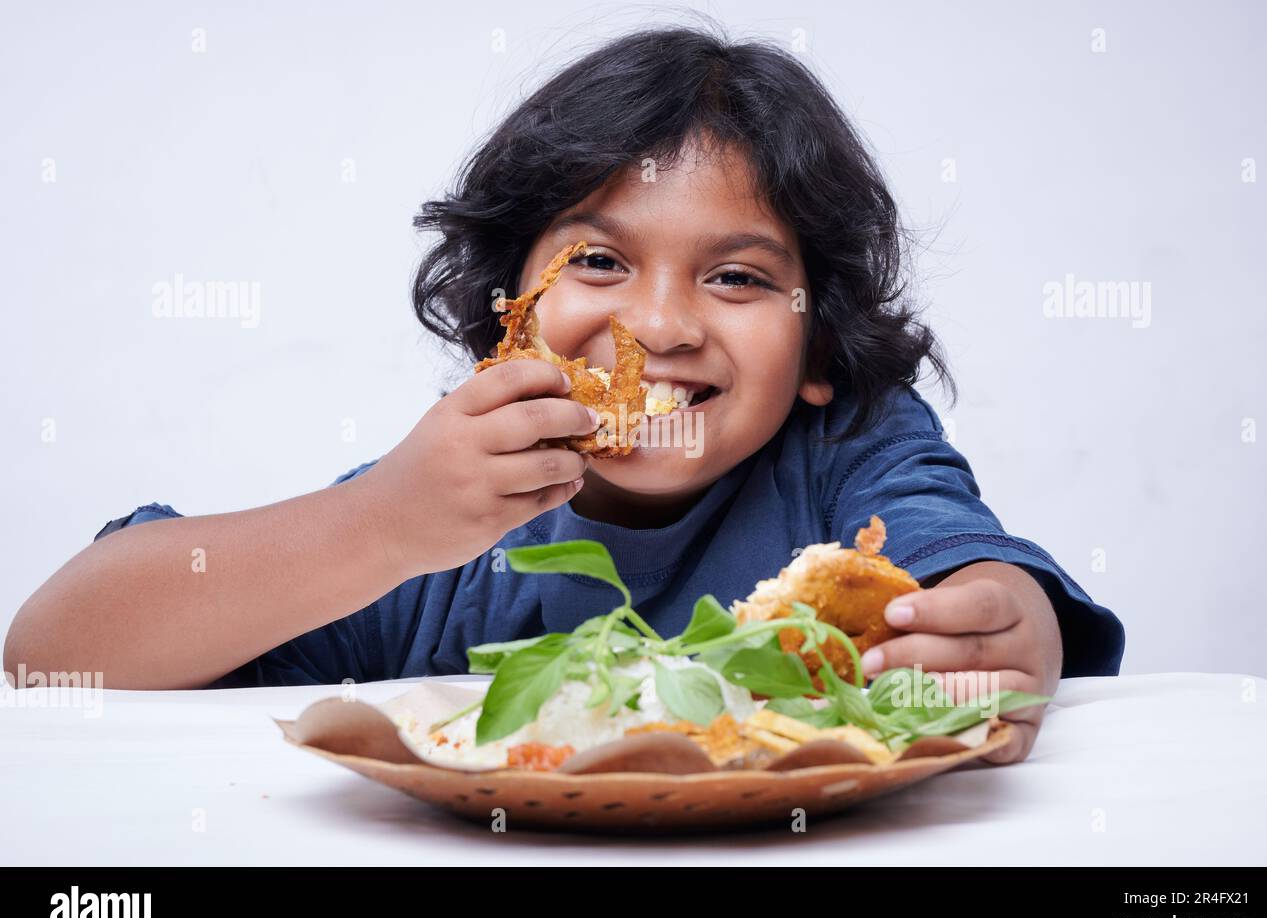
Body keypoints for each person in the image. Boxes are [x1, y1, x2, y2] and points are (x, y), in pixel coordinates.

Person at [4, 27, 1123, 765]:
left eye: (736, 277)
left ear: (820, 342)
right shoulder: (440, 522)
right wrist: (379, 523)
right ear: (509, 313)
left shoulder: (848, 451)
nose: (658, 325)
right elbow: (51, 654)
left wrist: (997, 619)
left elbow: (959, 564)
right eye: (598, 262)